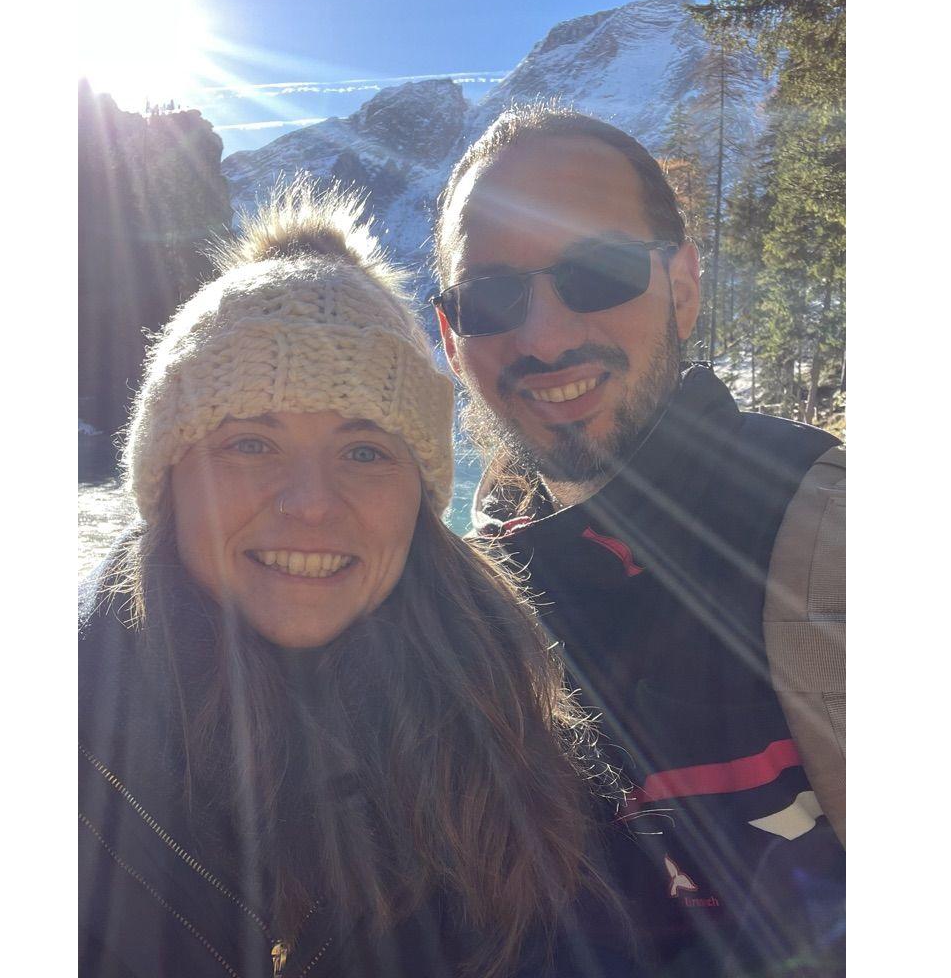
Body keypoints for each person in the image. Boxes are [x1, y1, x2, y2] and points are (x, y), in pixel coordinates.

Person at [78, 178, 675, 978]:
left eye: (366, 452)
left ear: (419, 498)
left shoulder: (526, 737)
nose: (312, 505)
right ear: (168, 478)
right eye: (252, 443)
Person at [432, 105, 846, 976]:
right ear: (450, 337)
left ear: (683, 286)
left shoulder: (839, 542)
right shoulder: (465, 598)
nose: (544, 337)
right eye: (491, 296)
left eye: (600, 269)